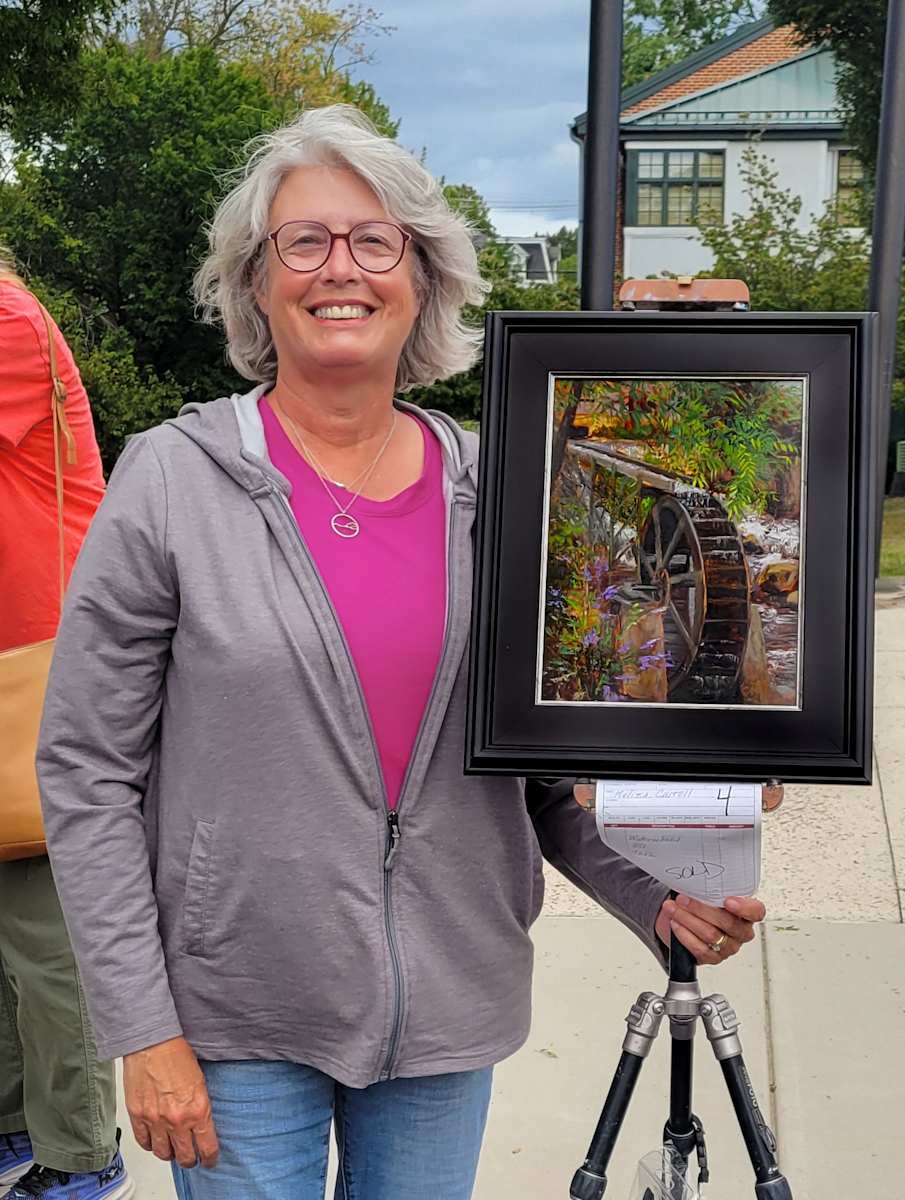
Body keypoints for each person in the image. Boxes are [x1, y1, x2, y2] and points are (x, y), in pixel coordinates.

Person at [35, 106, 765, 1200]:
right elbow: (87, 773)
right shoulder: (171, 482)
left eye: (377, 242)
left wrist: (658, 886)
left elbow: (538, 771)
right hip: (235, 1017)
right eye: (305, 242)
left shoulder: (505, 498)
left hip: (444, 1013)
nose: (343, 269)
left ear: (422, 279)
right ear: (255, 282)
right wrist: (141, 1023)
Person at [0, 248, 134, 1198]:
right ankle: (15, 1129)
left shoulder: (3, 318)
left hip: (42, 674)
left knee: (50, 943)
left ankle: (84, 1158)